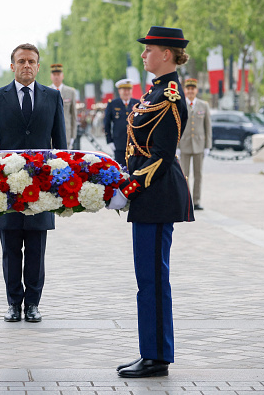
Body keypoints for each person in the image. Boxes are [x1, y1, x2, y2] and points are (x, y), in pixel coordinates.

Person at [108, 26, 194, 378]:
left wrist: (128, 189)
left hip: (156, 195)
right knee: (146, 278)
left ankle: (157, 357)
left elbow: (161, 155)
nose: (143, 55)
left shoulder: (170, 96)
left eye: (149, 49)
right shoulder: (155, 92)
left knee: (154, 279)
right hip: (150, 197)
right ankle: (151, 351)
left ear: (166, 54)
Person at [0, 43, 66, 323]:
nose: (26, 65)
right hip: (6, 190)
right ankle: (13, 303)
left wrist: (61, 185)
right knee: (11, 249)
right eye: (21, 61)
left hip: (41, 189)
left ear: (38, 66)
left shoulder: (53, 98)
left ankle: (33, 304)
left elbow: (61, 148)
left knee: (37, 249)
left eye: (31, 61)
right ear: (12, 66)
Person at [178, 78, 211, 210]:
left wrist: (208, 145)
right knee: (184, 175)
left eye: (193, 89)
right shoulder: (180, 105)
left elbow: (207, 127)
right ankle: (186, 201)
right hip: (184, 145)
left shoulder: (204, 105)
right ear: (185, 90)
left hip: (199, 145)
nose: (191, 91)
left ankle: (196, 201)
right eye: (188, 89)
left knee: (198, 175)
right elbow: (177, 126)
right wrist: (177, 146)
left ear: (196, 90)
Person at [103, 78, 139, 165]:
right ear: (119, 91)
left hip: (135, 143)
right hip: (119, 143)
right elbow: (107, 123)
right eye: (124, 90)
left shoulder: (137, 103)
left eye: (129, 90)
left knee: (135, 168)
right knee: (121, 169)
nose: (126, 92)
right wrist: (109, 141)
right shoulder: (113, 104)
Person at [49, 64, 77, 149]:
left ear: (62, 76)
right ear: (51, 76)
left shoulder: (70, 92)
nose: (56, 77)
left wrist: (73, 136)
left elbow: (74, 116)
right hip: (49, 134)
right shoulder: (46, 92)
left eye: (58, 74)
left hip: (66, 133)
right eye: (54, 75)